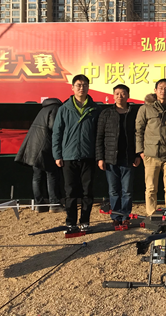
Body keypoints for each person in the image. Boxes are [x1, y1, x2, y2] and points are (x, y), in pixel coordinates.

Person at [52, 75, 100, 230]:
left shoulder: (94, 109)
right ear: (72, 87)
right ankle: (71, 222)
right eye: (78, 85)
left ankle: (85, 221)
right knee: (70, 191)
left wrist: (98, 155)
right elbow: (57, 133)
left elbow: (99, 134)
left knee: (87, 192)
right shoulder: (64, 109)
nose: (81, 88)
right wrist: (57, 155)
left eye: (85, 85)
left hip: (88, 155)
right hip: (69, 156)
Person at [136, 78, 166, 216]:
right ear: (155, 90)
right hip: (151, 154)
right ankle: (152, 214)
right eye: (161, 88)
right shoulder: (145, 108)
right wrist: (140, 151)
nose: (163, 90)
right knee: (151, 188)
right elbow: (139, 131)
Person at [96, 84, 140, 226]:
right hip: (110, 158)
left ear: (128, 95)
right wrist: (100, 158)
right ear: (113, 96)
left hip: (128, 157)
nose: (120, 96)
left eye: (123, 93)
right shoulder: (106, 113)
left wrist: (137, 155)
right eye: (117, 94)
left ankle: (125, 216)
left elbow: (138, 135)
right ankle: (116, 216)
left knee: (127, 191)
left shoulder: (134, 113)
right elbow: (99, 137)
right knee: (113, 190)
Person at [15, 97, 64, 213]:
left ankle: (39, 204)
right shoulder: (56, 108)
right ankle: (54, 203)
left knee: (37, 176)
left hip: (34, 146)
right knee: (51, 174)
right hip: (45, 146)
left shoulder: (44, 109)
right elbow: (54, 127)